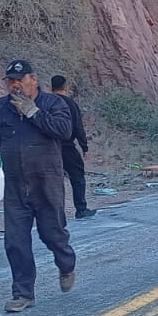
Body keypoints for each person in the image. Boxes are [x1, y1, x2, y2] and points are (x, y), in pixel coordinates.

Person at [0, 59, 77, 312]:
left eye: (20, 80)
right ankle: (23, 293)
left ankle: (66, 264)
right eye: (10, 81)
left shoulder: (53, 103)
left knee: (52, 234)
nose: (15, 85)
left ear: (33, 79)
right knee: (15, 240)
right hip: (16, 185)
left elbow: (65, 131)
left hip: (47, 182)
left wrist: (33, 113)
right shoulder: (0, 109)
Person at [50, 75, 97, 220]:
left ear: (51, 87)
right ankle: (81, 209)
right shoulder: (70, 103)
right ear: (65, 87)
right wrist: (84, 147)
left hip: (49, 149)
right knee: (77, 177)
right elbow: (78, 127)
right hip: (67, 147)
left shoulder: (46, 102)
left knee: (52, 181)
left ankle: (55, 214)